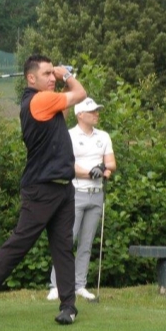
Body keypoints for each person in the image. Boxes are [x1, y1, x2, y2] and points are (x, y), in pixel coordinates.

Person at [0, 54, 87, 325]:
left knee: (63, 247)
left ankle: (68, 306)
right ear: (31, 78)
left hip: (62, 187)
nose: (51, 78)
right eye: (46, 74)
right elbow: (80, 93)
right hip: (41, 189)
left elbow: (65, 112)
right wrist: (66, 75)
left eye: (52, 73)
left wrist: (59, 80)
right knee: (20, 244)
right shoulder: (38, 100)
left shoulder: (47, 101)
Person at [46, 98, 116, 301]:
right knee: (66, 241)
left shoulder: (103, 136)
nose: (96, 114)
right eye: (92, 111)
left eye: (97, 110)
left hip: (96, 196)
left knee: (86, 243)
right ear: (80, 115)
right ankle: (56, 285)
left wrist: (105, 170)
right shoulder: (69, 136)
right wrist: (90, 173)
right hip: (74, 194)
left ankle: (79, 285)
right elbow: (68, 165)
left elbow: (110, 162)